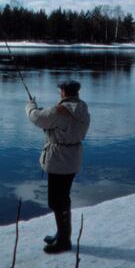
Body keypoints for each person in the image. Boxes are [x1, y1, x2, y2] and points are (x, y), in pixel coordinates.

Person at [27, 80, 91, 254]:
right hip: (72, 158)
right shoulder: (82, 108)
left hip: (59, 160)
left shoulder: (61, 110)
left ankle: (63, 242)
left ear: (63, 92)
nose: (59, 92)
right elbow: (58, 122)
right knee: (63, 198)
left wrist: (31, 105)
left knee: (57, 200)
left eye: (60, 90)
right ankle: (62, 235)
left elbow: (37, 118)